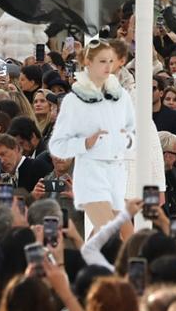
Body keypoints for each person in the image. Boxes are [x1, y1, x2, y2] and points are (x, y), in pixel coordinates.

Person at [49, 39, 136, 230]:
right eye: (101, 61)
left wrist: (124, 139)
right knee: (106, 239)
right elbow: (57, 145)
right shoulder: (72, 101)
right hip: (90, 177)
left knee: (120, 240)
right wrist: (85, 143)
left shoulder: (122, 97)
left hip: (119, 175)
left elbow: (134, 134)